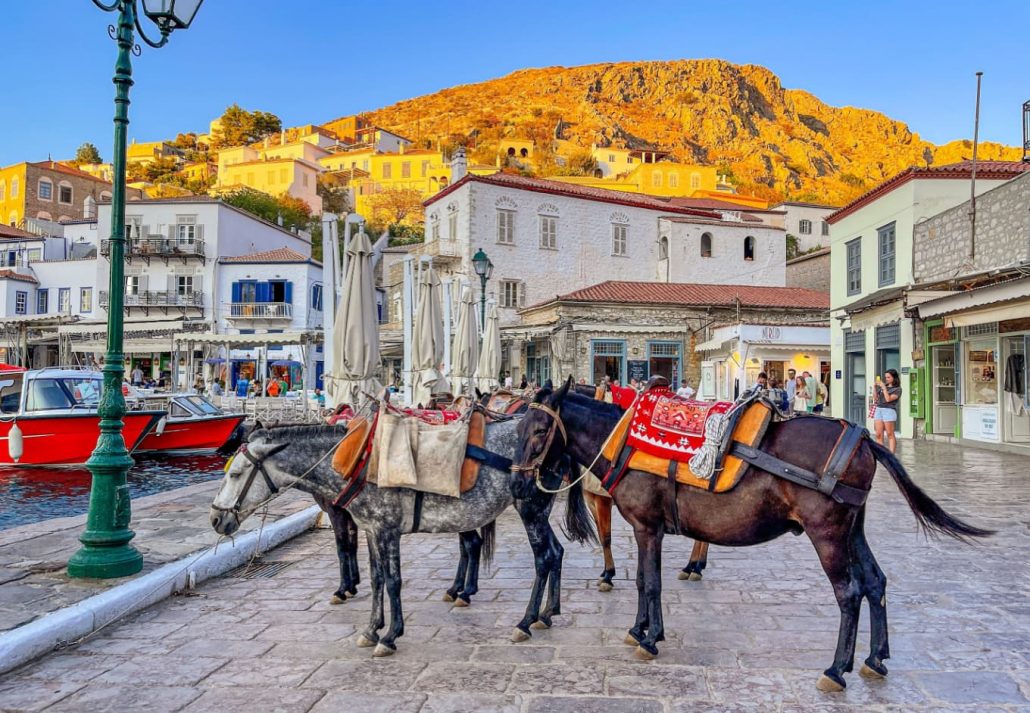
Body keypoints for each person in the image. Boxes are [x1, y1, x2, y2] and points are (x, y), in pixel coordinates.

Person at [873, 369, 902, 453]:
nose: (886, 379)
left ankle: (891, 455)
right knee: (878, 434)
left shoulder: (897, 389)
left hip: (889, 411)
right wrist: (875, 387)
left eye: (889, 377)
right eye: (886, 377)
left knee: (890, 434)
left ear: (894, 377)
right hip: (878, 409)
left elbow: (888, 399)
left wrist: (884, 388)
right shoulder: (884, 386)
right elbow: (875, 399)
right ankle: (881, 453)